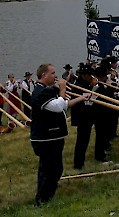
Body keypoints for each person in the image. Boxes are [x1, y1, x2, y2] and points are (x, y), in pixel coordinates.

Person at [30, 63, 88, 206]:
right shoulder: (41, 92)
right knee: (54, 169)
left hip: (49, 137)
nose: (56, 76)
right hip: (46, 138)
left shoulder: (46, 90)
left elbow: (64, 104)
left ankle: (43, 198)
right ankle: (43, 200)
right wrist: (62, 88)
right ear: (44, 75)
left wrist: (81, 98)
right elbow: (58, 106)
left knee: (46, 169)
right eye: (53, 73)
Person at [71, 63, 107, 168]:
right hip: (82, 116)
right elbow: (88, 101)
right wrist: (95, 88)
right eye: (89, 75)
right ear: (84, 75)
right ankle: (78, 164)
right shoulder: (78, 86)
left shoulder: (84, 83)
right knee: (82, 141)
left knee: (96, 135)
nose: (92, 77)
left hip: (90, 114)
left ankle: (99, 155)